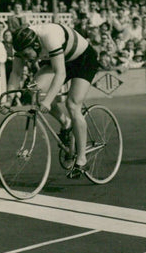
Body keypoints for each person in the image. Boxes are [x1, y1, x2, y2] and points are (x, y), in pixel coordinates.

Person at [6, 20, 100, 178]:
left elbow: (60, 73)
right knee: (35, 90)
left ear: (36, 46)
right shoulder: (22, 44)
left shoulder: (50, 37)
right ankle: (66, 123)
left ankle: (82, 159)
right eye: (22, 56)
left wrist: (48, 101)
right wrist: (8, 100)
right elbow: (16, 73)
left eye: (27, 55)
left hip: (82, 59)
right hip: (57, 60)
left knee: (73, 104)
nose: (26, 59)